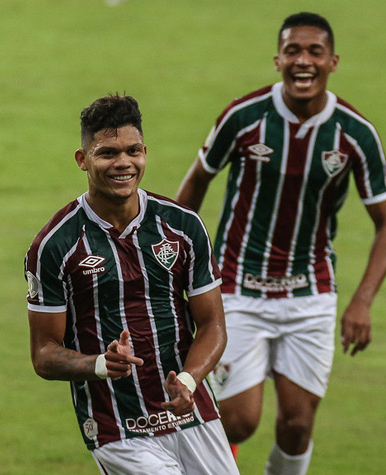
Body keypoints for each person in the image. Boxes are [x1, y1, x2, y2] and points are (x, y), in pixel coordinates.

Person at [176, 12, 386, 475]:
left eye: (314, 52)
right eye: (293, 51)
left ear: (333, 61)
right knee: (238, 421)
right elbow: (195, 186)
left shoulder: (356, 134)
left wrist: (361, 301)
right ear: (277, 59)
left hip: (310, 292)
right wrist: (177, 269)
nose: (303, 61)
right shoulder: (243, 117)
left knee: (297, 426)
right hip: (237, 287)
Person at [24, 94, 239, 475]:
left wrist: (189, 380)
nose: (123, 163)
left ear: (144, 152)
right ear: (82, 159)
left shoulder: (183, 227)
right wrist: (101, 364)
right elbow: (44, 353)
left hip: (192, 410)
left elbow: (212, 325)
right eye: (107, 153)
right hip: (116, 426)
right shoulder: (55, 245)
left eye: (133, 150)